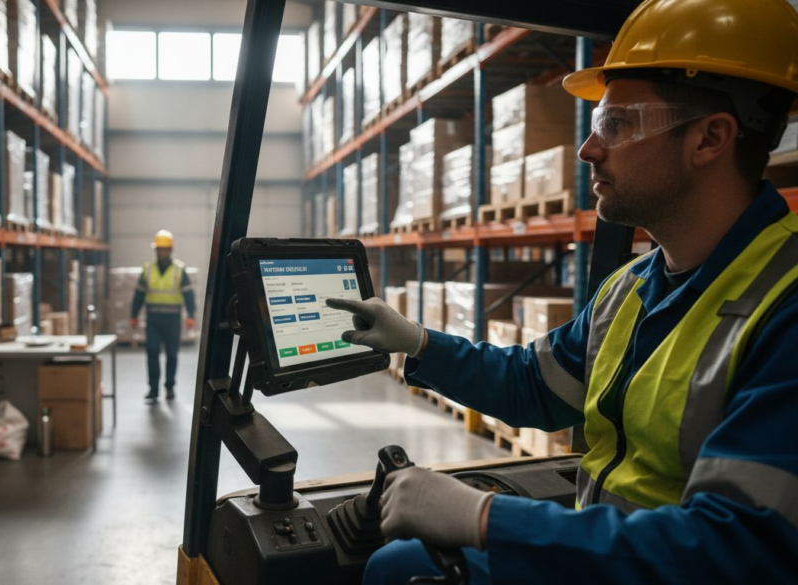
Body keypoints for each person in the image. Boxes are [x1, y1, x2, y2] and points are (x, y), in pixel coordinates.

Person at [328, 0, 798, 582]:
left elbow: (737, 548)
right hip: (608, 557)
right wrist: (419, 343)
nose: (588, 149)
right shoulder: (631, 288)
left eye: (617, 125)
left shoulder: (786, 304)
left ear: (709, 139)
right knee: (399, 563)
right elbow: (536, 384)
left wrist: (486, 518)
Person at [131, 230, 196, 404]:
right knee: (152, 352)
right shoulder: (148, 269)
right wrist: (133, 315)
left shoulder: (179, 270)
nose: (162, 252)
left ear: (171, 249)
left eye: (165, 249)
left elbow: (189, 295)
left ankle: (169, 387)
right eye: (160, 249)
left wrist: (191, 315)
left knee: (172, 355)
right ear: (156, 250)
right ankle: (153, 389)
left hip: (172, 320)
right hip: (153, 319)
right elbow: (138, 294)